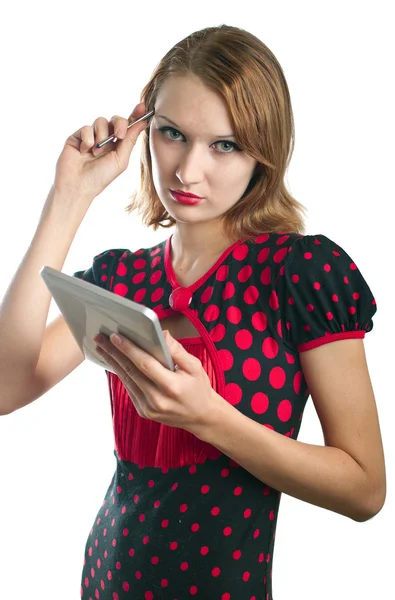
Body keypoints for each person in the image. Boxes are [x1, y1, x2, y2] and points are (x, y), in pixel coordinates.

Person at [0, 24, 386, 600]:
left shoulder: (301, 275)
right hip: (104, 580)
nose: (187, 170)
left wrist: (211, 418)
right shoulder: (120, 278)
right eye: (172, 133)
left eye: (224, 145)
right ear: (143, 129)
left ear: (265, 152)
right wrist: (69, 197)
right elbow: (5, 387)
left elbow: (364, 489)